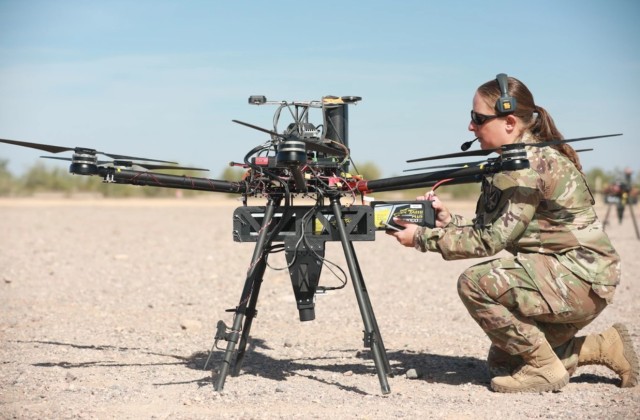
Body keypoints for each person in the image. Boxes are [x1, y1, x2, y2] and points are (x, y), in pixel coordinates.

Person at [389, 74, 639, 393]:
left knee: (474, 283)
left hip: (579, 281)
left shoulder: (527, 167)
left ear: (509, 122)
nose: (471, 127)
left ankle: (544, 368)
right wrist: (448, 221)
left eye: (478, 119)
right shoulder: (518, 160)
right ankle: (605, 346)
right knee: (504, 361)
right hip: (574, 279)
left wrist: (421, 239)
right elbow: (498, 228)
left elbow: (492, 240)